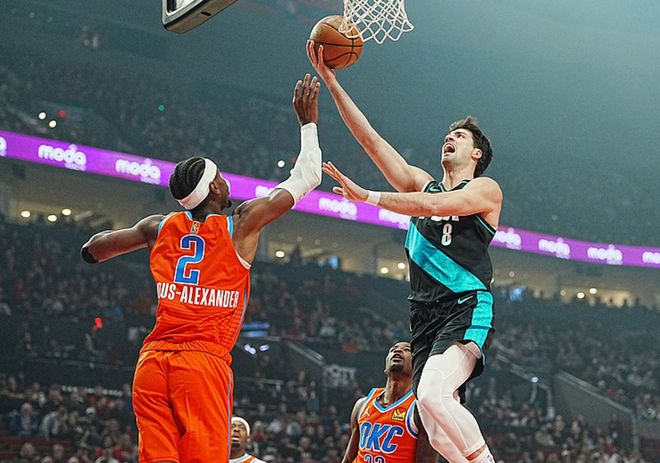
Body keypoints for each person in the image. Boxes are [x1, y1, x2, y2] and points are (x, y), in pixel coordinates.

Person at [80, 74, 323, 463]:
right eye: (221, 178)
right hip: (201, 363)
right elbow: (309, 175)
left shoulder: (158, 226)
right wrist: (308, 123)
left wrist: (144, 237)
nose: (227, 184)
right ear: (212, 189)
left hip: (153, 361)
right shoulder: (240, 223)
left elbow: (93, 249)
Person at [308, 41, 501, 463]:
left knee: (430, 393)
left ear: (476, 153)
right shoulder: (420, 184)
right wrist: (332, 82)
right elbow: (372, 142)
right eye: (448, 134)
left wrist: (368, 196)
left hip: (466, 304)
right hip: (424, 313)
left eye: (460, 136)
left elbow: (433, 206)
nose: (450, 138)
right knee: (433, 420)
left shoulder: (485, 189)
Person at [342, 341, 437, 463]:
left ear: (417, 366)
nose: (397, 350)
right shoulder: (362, 404)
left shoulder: (422, 408)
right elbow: (349, 458)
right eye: (393, 349)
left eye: (407, 349)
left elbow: (426, 460)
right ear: (385, 368)